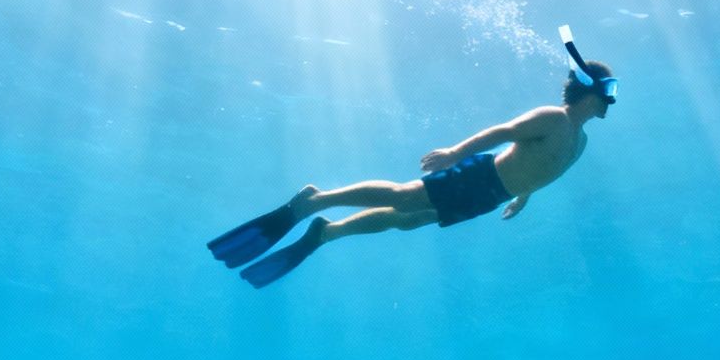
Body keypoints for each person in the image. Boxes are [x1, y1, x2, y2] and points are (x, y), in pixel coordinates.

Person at [208, 26, 617, 288]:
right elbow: (502, 134)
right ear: (590, 88)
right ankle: (317, 199)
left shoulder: (579, 142)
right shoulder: (553, 118)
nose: (611, 101)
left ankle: (327, 232)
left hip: (490, 196)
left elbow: (543, 171)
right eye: (609, 90)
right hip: (479, 177)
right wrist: (456, 153)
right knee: (404, 197)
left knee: (410, 220)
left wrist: (523, 196)